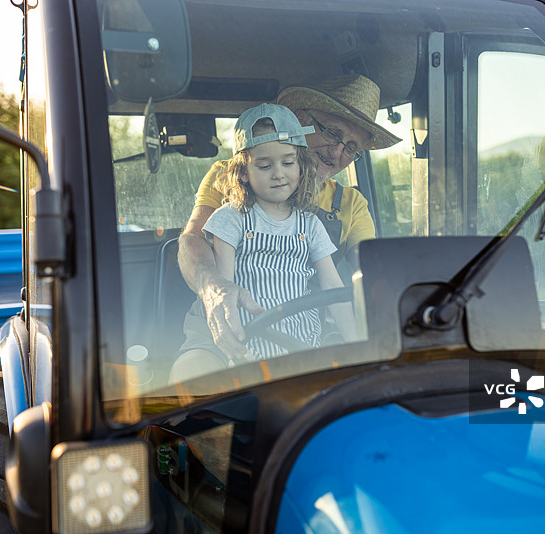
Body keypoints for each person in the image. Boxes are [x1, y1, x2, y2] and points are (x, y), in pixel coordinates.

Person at [178, 74, 402, 360]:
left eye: (351, 147)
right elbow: (191, 241)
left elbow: (372, 270)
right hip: (228, 322)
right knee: (194, 377)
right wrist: (214, 289)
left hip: (306, 328)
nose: (336, 152)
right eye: (333, 133)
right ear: (299, 121)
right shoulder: (227, 179)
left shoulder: (349, 204)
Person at [171, 103, 357, 380]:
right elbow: (226, 289)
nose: (279, 173)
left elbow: (333, 287)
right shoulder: (230, 219)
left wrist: (358, 349)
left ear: (301, 165)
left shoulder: (311, 224)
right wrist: (237, 353)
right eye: (265, 165)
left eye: (287, 162)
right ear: (243, 173)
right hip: (250, 337)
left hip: (301, 341)